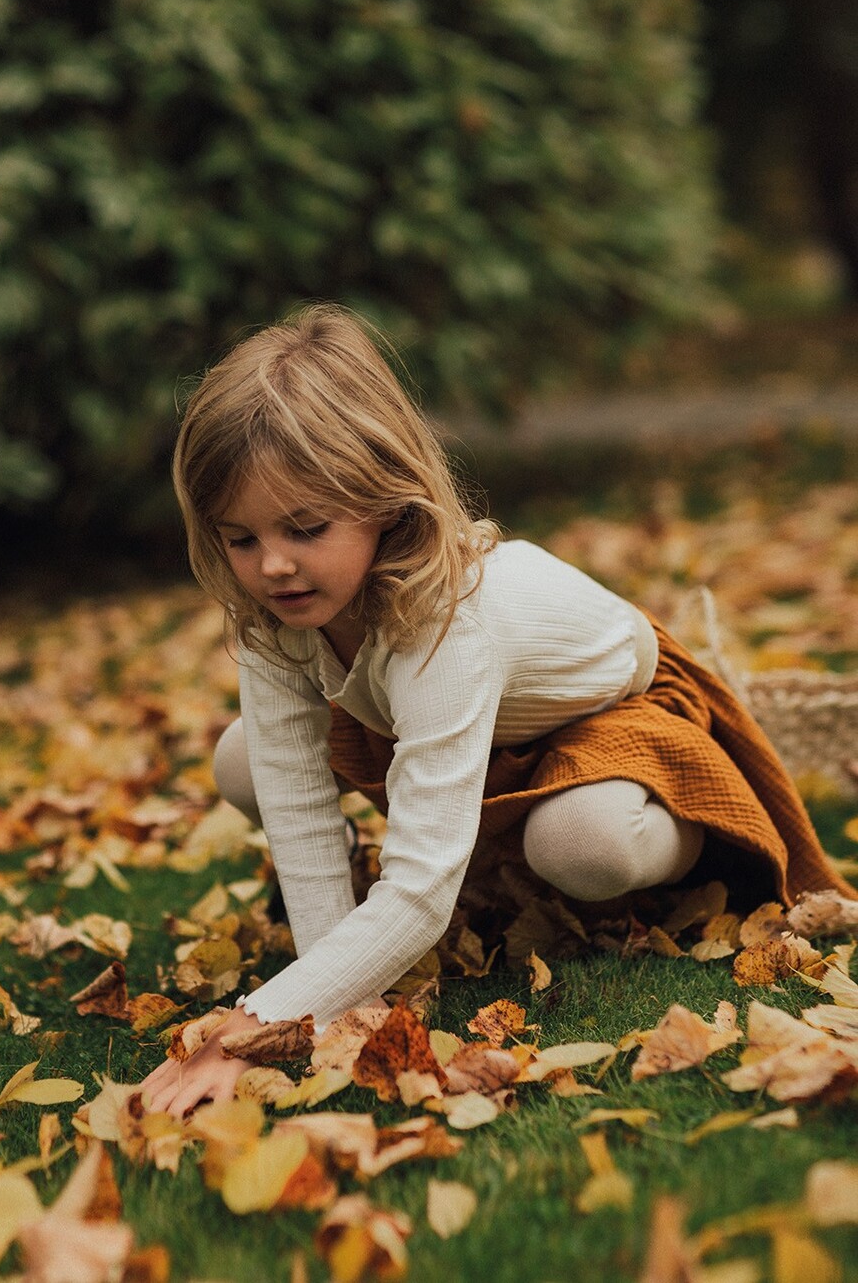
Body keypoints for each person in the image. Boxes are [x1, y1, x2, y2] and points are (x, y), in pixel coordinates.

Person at [140, 305, 852, 1117]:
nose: (272, 564)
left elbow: (415, 895)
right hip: (447, 727)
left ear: (385, 501)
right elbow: (298, 813)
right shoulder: (279, 613)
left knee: (582, 846)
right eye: (240, 539)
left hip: (606, 723)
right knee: (246, 761)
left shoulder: (447, 619)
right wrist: (319, 1005)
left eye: (306, 528)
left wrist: (247, 1026)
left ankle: (694, 844)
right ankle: (467, 868)